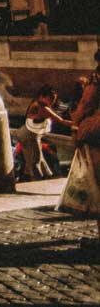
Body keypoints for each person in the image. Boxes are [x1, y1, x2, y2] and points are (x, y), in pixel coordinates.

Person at [59, 55, 100, 247]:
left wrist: (76, 128)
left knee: (97, 185)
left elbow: (86, 104)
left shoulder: (96, 80)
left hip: (95, 134)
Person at [21, 86, 69, 180]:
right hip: (31, 137)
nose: (52, 102)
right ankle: (37, 180)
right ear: (42, 96)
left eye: (53, 100)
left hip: (31, 136)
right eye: (50, 99)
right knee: (36, 161)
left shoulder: (36, 104)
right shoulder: (41, 107)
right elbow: (61, 121)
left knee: (36, 160)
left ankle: (39, 177)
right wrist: (77, 123)